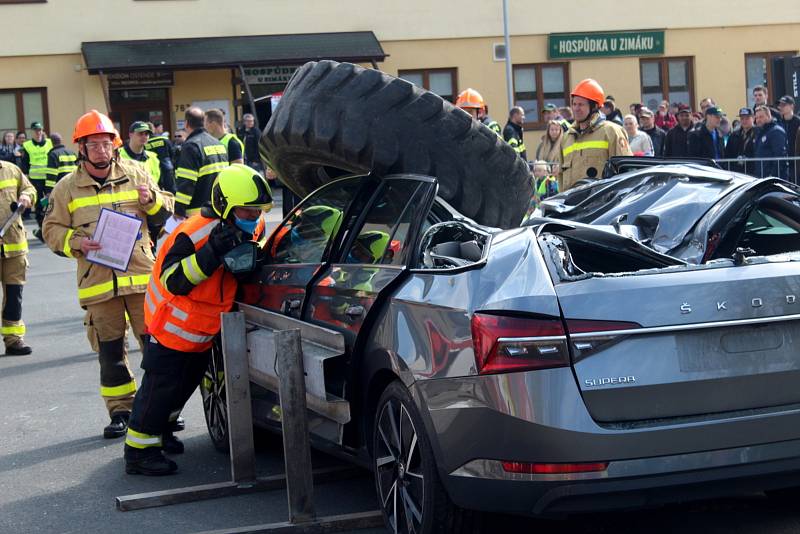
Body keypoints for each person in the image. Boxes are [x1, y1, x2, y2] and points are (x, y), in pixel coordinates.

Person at [124, 164, 272, 475]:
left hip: (204, 327)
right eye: (246, 212)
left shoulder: (250, 225)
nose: (253, 218)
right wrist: (213, 252)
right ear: (224, 205)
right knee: (160, 387)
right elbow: (174, 279)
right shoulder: (195, 233)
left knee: (185, 385)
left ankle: (159, 434)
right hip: (172, 324)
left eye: (257, 211)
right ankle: (138, 451)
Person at [42, 109, 173, 439]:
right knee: (110, 352)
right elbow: (50, 228)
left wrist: (153, 200)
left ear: (115, 145)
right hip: (98, 284)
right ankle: (121, 413)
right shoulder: (66, 188)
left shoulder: (137, 172)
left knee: (156, 349)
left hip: (142, 279)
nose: (102, 150)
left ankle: (162, 412)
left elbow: (166, 210)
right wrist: (76, 242)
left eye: (106, 143)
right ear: (81, 148)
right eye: (94, 144)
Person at [559, 78, 632, 191]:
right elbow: (561, 176)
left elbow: (626, 173)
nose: (576, 108)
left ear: (594, 107)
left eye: (581, 104)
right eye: (574, 104)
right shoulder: (566, 137)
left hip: (603, 205)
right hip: (572, 206)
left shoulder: (612, 132)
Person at [0, 158, 35, 355]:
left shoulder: (11, 169)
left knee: (14, 296)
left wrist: (26, 197)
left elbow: (30, 189)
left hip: (14, 246)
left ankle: (13, 340)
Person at [173, 107, 228, 220]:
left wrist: (178, 210)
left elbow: (186, 182)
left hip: (198, 214)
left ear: (186, 123)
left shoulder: (191, 146)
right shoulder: (219, 143)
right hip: (219, 209)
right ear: (203, 122)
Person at [20, 122, 53, 230]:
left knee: (51, 201)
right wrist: (25, 178)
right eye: (35, 130)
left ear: (42, 131)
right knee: (39, 203)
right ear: (32, 132)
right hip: (35, 179)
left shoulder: (49, 143)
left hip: (49, 178)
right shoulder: (27, 145)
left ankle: (50, 224)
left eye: (40, 130)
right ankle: (41, 227)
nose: (38, 132)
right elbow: (24, 163)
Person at [753, 105, 788, 178]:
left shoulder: (776, 131)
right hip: (762, 177)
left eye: (761, 117)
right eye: (756, 118)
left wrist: (772, 176)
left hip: (773, 179)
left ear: (769, 116)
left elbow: (780, 155)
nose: (758, 120)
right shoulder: (760, 132)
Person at [724, 107, 759, 175]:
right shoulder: (734, 135)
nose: (744, 121)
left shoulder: (758, 133)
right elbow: (727, 154)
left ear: (753, 118)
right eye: (742, 118)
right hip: (736, 172)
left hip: (753, 171)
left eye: (747, 118)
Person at [145, 120, 176, 194]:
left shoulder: (144, 143)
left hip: (151, 171)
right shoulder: (164, 139)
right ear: (153, 129)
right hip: (167, 168)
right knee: (171, 192)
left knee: (156, 192)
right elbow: (172, 153)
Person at [777, 96, 800, 177]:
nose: (781, 107)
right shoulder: (778, 123)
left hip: (796, 162)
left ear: (792, 106)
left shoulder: (798, 122)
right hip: (782, 162)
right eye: (780, 105)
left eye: (784, 105)